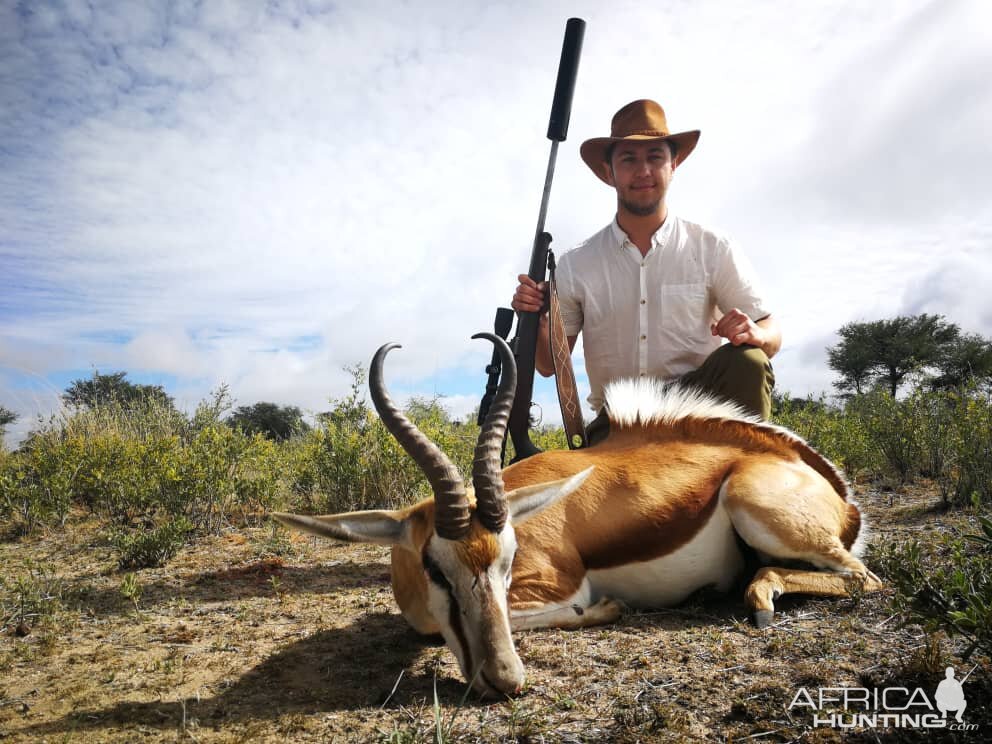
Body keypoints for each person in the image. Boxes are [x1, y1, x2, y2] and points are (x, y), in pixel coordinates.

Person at [511, 99, 781, 445]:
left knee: (749, 361)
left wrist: (757, 335)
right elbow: (549, 366)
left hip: (697, 413)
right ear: (609, 172)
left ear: (674, 164)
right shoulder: (576, 263)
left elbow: (771, 330)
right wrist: (540, 321)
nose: (643, 171)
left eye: (655, 157)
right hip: (619, 422)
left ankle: (747, 481)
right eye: (628, 159)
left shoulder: (713, 246)